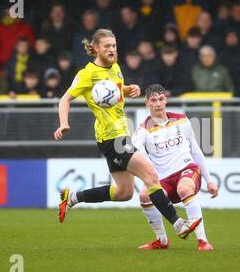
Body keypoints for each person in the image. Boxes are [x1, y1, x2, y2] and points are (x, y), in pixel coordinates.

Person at [54, 29, 201, 240]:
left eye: (114, 45)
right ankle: (179, 224)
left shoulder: (115, 67)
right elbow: (65, 99)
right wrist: (63, 123)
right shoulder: (87, 74)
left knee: (124, 192)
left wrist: (129, 89)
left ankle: (72, 198)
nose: (112, 49)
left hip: (119, 135)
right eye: (107, 46)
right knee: (151, 176)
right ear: (95, 48)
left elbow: (113, 91)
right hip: (112, 138)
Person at [132, 84, 218, 251]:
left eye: (161, 99)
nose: (158, 104)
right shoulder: (142, 131)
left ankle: (203, 241)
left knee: (184, 189)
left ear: (166, 100)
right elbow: (138, 158)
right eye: (153, 100)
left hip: (187, 169)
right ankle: (162, 240)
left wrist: (210, 181)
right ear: (147, 103)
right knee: (144, 196)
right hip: (163, 179)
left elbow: (195, 149)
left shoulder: (181, 119)